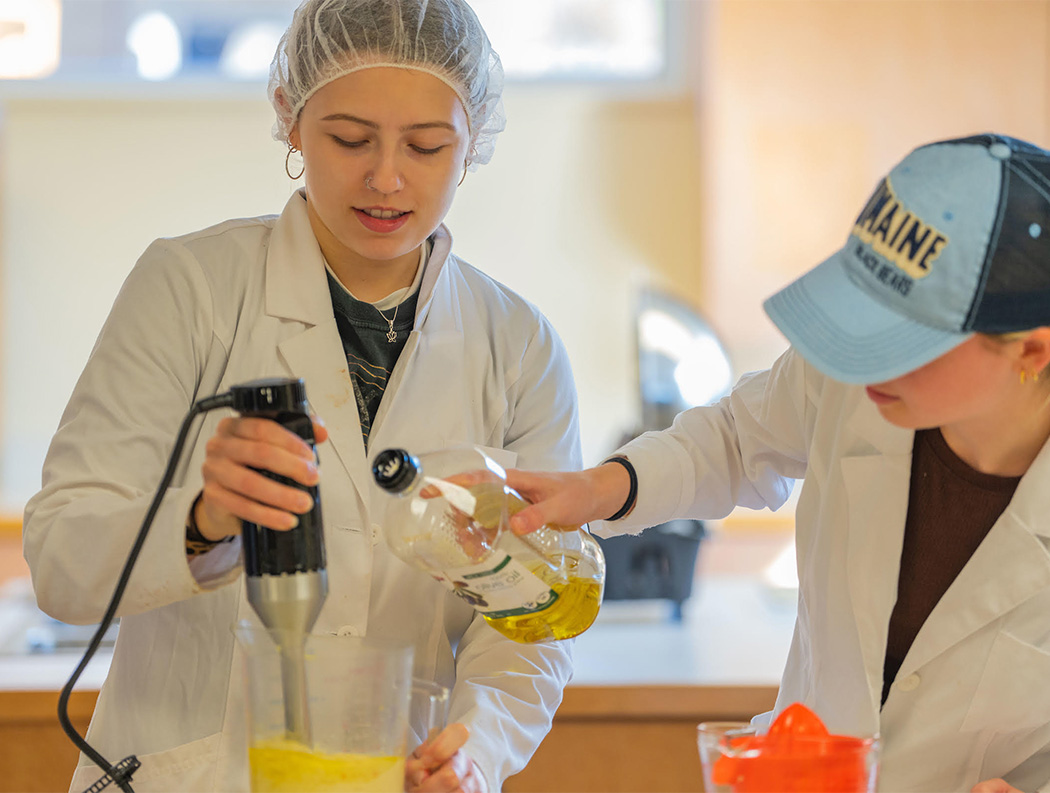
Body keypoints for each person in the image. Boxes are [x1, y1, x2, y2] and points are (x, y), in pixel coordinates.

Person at [22, 1, 582, 791]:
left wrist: (477, 746)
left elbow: (529, 614)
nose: (386, 177)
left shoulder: (518, 344)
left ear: (474, 140)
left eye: (427, 146)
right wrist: (201, 520)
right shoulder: (189, 287)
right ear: (290, 116)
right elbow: (60, 561)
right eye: (349, 138)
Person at [505, 133, 1050, 793]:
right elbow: (735, 438)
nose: (861, 352)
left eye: (903, 337)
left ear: (1031, 351)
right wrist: (601, 489)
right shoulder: (852, 381)